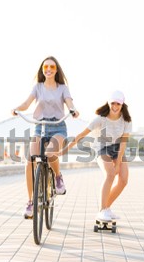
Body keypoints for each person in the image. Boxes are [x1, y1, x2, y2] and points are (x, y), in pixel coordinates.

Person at [12, 56, 79, 219]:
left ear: (57, 70)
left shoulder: (63, 88)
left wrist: (73, 110)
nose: (48, 69)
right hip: (39, 127)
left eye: (52, 67)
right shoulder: (38, 87)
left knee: (50, 153)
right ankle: (31, 202)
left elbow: (69, 102)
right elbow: (27, 104)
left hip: (58, 127)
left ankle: (57, 177)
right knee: (30, 161)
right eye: (46, 67)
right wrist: (17, 108)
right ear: (42, 70)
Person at [51, 90, 132, 221]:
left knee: (123, 179)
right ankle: (102, 210)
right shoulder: (100, 119)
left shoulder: (126, 120)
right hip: (102, 147)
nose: (115, 107)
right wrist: (64, 150)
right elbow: (81, 135)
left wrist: (117, 164)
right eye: (113, 103)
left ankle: (106, 208)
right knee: (110, 174)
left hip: (118, 148)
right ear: (108, 103)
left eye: (118, 104)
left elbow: (123, 143)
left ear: (122, 105)